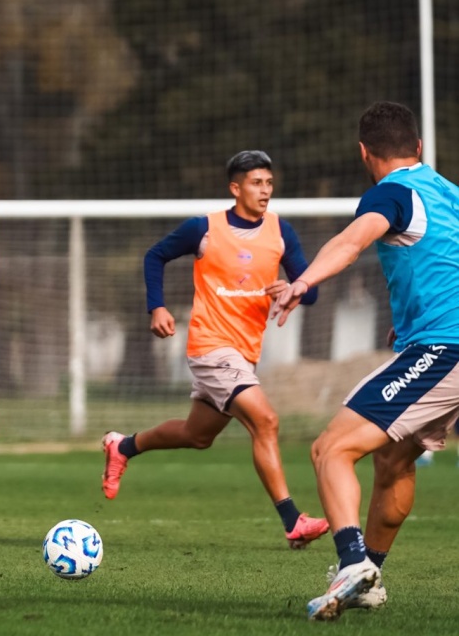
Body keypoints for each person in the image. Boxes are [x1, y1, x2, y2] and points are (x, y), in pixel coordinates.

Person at [271, 101, 459, 621]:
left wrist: (302, 281)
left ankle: (352, 562)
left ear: (363, 153)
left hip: (445, 350)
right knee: (394, 459)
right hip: (442, 344)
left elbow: (354, 241)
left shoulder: (390, 194)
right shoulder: (448, 193)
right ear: (418, 147)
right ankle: (370, 578)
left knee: (330, 449)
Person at [101, 150, 330, 549]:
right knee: (267, 421)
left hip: (244, 353)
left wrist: (295, 289)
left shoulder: (280, 232)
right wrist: (156, 306)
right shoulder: (204, 228)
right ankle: (293, 521)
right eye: (257, 183)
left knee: (197, 435)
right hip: (210, 347)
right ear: (235, 188)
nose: (265, 191)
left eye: (269, 183)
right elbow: (155, 255)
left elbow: (309, 293)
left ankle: (122, 446)